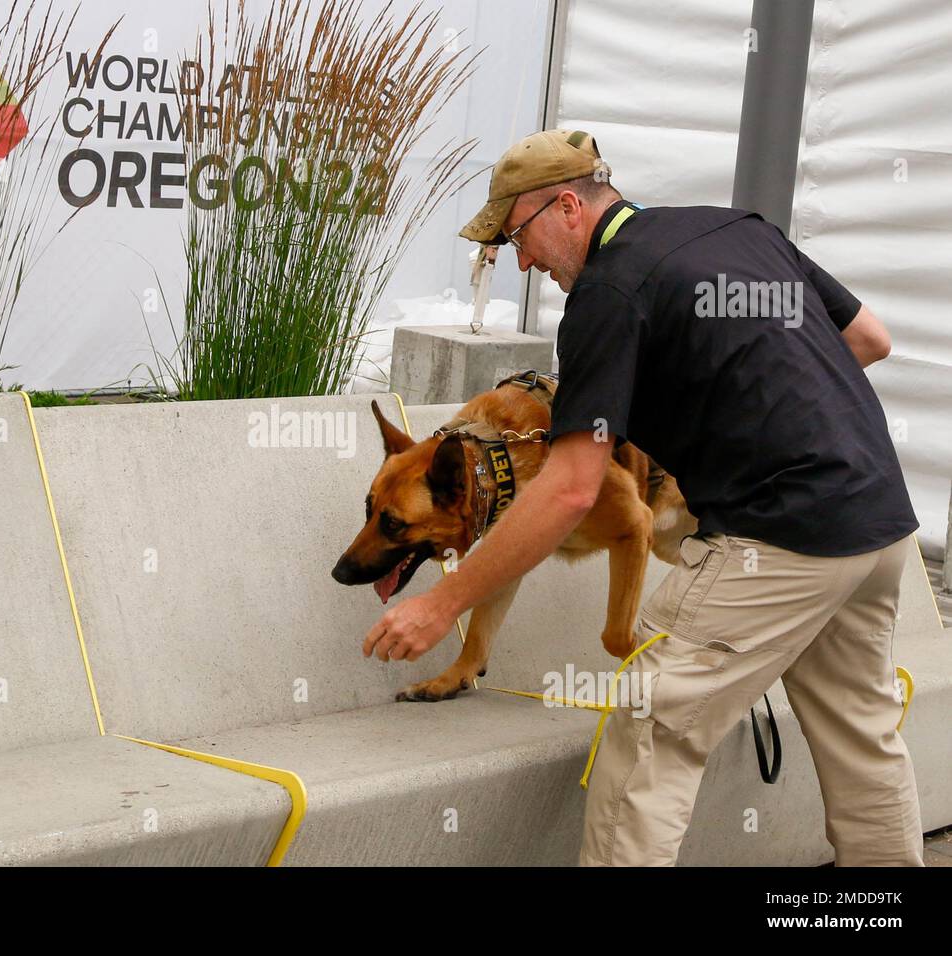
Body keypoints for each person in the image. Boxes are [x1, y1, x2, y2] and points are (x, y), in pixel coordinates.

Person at [362, 128, 924, 866]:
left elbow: (569, 490)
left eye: (518, 238)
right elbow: (870, 341)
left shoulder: (608, 293)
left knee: (648, 731)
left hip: (778, 540)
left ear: (566, 207)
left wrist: (441, 604)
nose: (522, 262)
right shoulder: (737, 230)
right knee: (863, 739)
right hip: (878, 522)